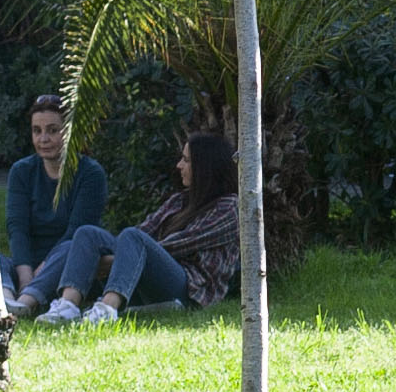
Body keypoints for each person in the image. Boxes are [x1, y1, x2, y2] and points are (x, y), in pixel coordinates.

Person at [31, 128, 244, 323]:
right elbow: (145, 231)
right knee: (88, 234)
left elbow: (183, 243)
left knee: (132, 237)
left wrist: (122, 259)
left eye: (186, 160)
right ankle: (67, 306)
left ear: (206, 167)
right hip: (151, 278)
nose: (179, 165)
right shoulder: (179, 200)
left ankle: (107, 309)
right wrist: (123, 256)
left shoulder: (229, 207)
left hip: (189, 289)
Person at [0, 95, 110, 318]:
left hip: (68, 263)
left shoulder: (90, 173)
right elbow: (17, 227)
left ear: (70, 132)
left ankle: (26, 303)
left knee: (70, 245)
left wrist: (37, 276)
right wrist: (25, 275)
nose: (43, 139)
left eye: (52, 130)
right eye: (37, 131)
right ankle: (4, 301)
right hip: (28, 266)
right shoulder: (21, 171)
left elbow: (76, 231)